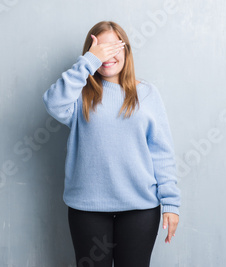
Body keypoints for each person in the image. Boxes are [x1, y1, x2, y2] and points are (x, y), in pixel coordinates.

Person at [42, 21, 181, 267]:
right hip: (87, 209)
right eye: (100, 50)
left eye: (115, 47)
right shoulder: (79, 94)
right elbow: (53, 103)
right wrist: (87, 62)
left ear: (126, 51)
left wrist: (171, 202)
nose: (108, 55)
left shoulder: (147, 94)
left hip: (140, 208)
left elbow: (161, 152)